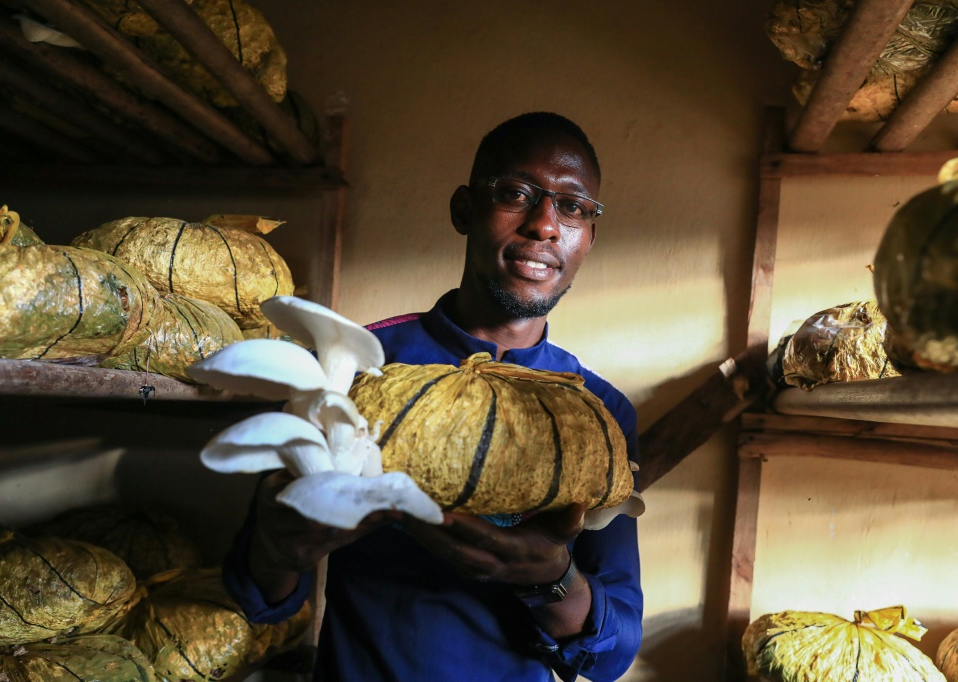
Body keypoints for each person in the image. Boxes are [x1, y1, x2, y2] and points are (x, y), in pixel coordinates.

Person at [223, 112, 643, 682]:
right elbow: (258, 598)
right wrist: (278, 549)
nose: (545, 225)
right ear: (464, 210)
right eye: (518, 193)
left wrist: (549, 578)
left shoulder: (598, 412)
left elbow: (614, 651)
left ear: (589, 238)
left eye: (573, 207)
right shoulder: (351, 367)